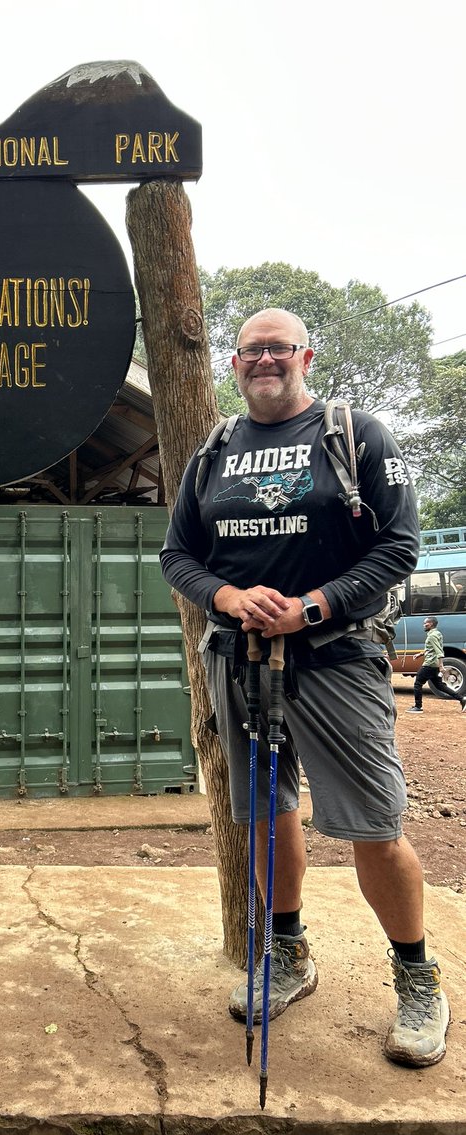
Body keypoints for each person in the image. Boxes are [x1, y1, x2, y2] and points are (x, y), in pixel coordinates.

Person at [160, 307, 450, 1067]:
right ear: (233, 365)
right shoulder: (213, 452)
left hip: (336, 658)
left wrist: (314, 605)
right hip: (241, 661)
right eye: (251, 351)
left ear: (306, 357)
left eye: (278, 349)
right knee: (264, 811)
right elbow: (179, 555)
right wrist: (226, 598)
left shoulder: (357, 435)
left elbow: (400, 545)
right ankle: (287, 954)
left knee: (373, 825)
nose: (265, 361)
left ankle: (417, 978)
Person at [406, 616, 466, 714]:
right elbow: (432, 648)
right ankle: (462, 699)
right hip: (433, 664)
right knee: (439, 686)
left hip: (430, 664)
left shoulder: (432, 636)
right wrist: (421, 654)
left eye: (426, 623)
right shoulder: (437, 634)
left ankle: (418, 706)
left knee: (418, 684)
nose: (424, 625)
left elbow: (439, 651)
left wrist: (441, 666)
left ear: (431, 624)